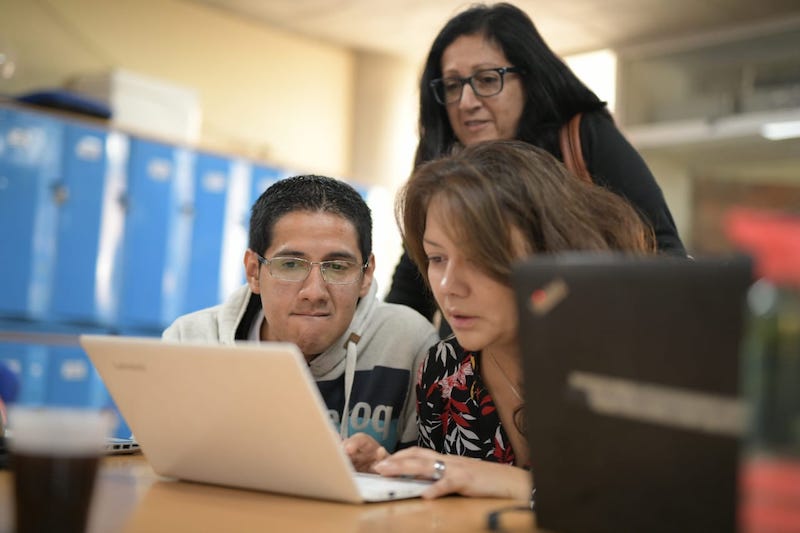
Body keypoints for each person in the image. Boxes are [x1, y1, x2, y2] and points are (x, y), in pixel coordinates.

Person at [355, 140, 653, 501]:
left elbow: (661, 506)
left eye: (478, 258)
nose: (449, 286)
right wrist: (393, 478)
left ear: (550, 250)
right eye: (437, 258)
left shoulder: (626, 361)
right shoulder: (444, 370)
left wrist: (519, 487)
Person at [386, 1, 684, 321]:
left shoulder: (581, 137)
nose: (466, 102)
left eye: (487, 80)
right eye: (453, 85)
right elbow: (411, 283)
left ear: (528, 80)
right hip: (471, 359)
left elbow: (664, 251)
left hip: (579, 339)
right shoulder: (443, 165)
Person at [163, 175, 438, 460]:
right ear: (254, 272)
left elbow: (432, 479)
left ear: (366, 274)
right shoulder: (190, 342)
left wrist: (384, 472)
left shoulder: (409, 343)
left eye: (337, 266)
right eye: (291, 264)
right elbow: (158, 466)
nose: (314, 292)